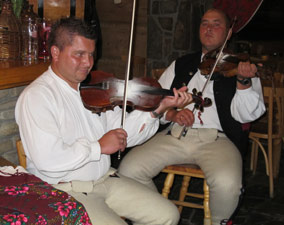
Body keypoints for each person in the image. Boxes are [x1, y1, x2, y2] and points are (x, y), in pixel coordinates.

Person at [15, 17, 193, 225]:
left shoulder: (95, 91)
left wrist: (157, 109)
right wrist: (97, 147)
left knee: (168, 215)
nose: (88, 63)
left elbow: (126, 135)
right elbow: (48, 160)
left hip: (104, 180)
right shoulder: (37, 96)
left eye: (91, 54)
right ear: (55, 52)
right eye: (79, 54)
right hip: (64, 190)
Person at [118, 8, 266, 225]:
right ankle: (157, 217)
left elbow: (245, 116)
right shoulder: (181, 64)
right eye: (204, 23)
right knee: (129, 170)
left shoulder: (239, 67)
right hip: (175, 135)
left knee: (228, 184)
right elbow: (156, 101)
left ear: (228, 32)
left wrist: (243, 82)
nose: (208, 28)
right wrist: (173, 114)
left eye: (216, 24)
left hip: (218, 140)